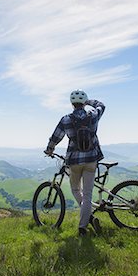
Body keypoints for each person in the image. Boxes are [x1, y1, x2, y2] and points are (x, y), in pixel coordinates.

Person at [44, 89, 105, 236]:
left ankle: (89, 218)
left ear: (72, 104)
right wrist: (89, 102)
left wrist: (50, 149)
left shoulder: (66, 119)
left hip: (74, 161)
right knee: (88, 195)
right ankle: (83, 225)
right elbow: (101, 105)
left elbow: (56, 137)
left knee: (76, 190)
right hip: (91, 159)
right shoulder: (93, 116)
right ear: (83, 103)